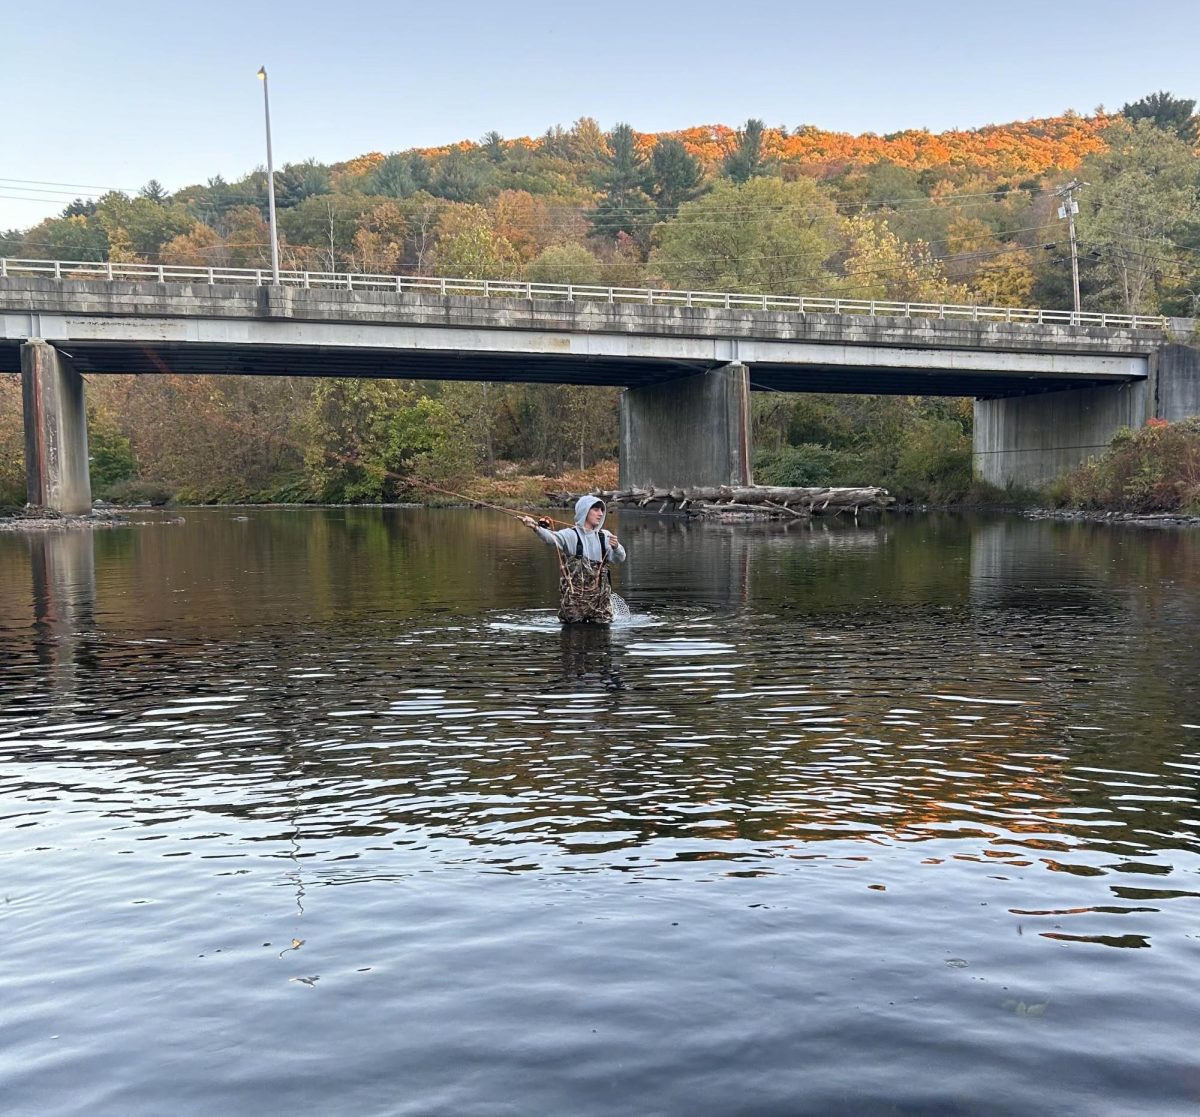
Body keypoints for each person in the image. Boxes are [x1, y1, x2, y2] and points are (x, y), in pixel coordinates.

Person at [522, 496, 627, 623]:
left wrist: (616, 547)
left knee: (603, 641)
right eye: (595, 509)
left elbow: (620, 558)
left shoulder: (605, 536)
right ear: (584, 511)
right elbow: (551, 538)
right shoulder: (570, 535)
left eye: (601, 510)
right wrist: (535, 527)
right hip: (574, 606)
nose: (600, 513)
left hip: (601, 606)